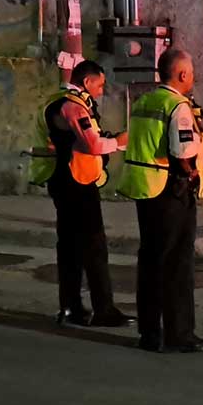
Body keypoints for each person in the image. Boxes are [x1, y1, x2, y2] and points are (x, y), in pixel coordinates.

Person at [116, 49, 203, 353]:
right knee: (177, 264)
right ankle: (179, 334)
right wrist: (192, 173)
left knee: (150, 261)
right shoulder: (177, 106)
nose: (193, 77)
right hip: (171, 191)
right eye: (191, 72)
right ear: (182, 74)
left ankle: (150, 334)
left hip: (146, 188)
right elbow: (183, 151)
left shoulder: (145, 101)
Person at [29, 60, 134, 327]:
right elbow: (92, 145)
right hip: (76, 183)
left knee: (69, 247)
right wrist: (119, 142)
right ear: (87, 82)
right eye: (99, 85)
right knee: (94, 246)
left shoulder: (60, 101)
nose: (101, 91)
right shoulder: (72, 106)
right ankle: (103, 310)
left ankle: (70, 308)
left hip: (65, 181)